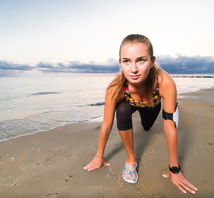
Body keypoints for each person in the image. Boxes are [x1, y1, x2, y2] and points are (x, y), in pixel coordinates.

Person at [83, 34, 197, 194]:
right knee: (122, 110)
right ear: (121, 62)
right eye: (126, 61)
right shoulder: (115, 88)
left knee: (147, 126)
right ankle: (131, 160)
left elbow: (170, 126)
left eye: (141, 60)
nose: (133, 69)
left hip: (151, 106)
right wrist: (98, 156)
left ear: (152, 62)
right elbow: (107, 125)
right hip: (129, 103)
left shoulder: (165, 83)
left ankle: (146, 121)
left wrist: (174, 169)